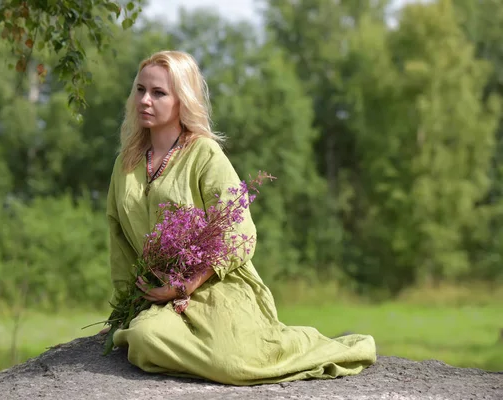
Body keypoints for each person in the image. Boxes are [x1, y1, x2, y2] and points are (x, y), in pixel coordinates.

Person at [104, 50, 376, 385]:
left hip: (218, 286)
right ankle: (175, 343)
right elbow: (119, 242)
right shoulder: (125, 164)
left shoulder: (204, 154)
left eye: (159, 93)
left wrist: (186, 284)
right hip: (158, 299)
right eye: (140, 90)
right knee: (144, 338)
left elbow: (240, 233)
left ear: (182, 100)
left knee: (232, 365)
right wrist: (123, 310)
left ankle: (306, 345)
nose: (145, 100)